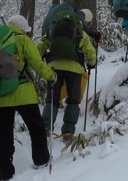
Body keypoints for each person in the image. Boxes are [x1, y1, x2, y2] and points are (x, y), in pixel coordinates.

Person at [0, 14, 56, 181]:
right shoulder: (22, 40)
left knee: (3, 135)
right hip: (23, 93)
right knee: (36, 127)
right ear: (23, 29)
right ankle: (41, 160)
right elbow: (37, 63)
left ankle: (3, 174)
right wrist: (51, 76)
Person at [37, 9, 98, 138]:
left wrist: (39, 61)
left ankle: (46, 126)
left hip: (54, 68)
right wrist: (92, 63)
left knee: (52, 98)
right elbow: (90, 51)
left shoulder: (52, 29)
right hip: (75, 69)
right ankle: (68, 131)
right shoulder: (80, 31)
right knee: (73, 100)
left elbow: (40, 47)